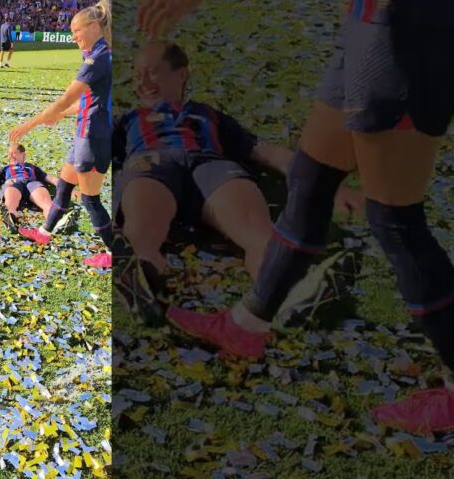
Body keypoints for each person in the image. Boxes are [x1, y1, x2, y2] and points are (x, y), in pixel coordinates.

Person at [138, 0, 454, 433]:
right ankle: (247, 323)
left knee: (395, 220)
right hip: (374, 18)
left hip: (409, 23)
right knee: (310, 183)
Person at [115, 41, 363, 325]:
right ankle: (140, 282)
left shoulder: (209, 116)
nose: (142, 82)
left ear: (181, 74)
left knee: (259, 234)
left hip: (212, 165)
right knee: (142, 228)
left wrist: (326, 184)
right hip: (152, 162)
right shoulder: (128, 121)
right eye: (137, 75)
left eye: (152, 73)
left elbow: (267, 152)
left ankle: (291, 297)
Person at [9, 0, 113, 268]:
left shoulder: (98, 57)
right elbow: (88, 103)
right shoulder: (101, 53)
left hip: (94, 137)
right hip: (85, 135)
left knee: (90, 200)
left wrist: (28, 125)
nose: (73, 37)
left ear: (92, 26)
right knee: (64, 187)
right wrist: (61, 115)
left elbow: (67, 98)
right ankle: (44, 233)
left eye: (76, 30)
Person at [0, 142, 74, 233]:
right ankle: (11, 216)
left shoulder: (32, 167)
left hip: (32, 183)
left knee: (46, 203)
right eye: (9, 153)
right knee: (11, 194)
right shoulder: (7, 168)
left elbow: (51, 179)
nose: (10, 155)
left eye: (13, 152)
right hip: (13, 182)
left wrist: (68, 188)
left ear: (23, 154)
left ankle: (56, 222)